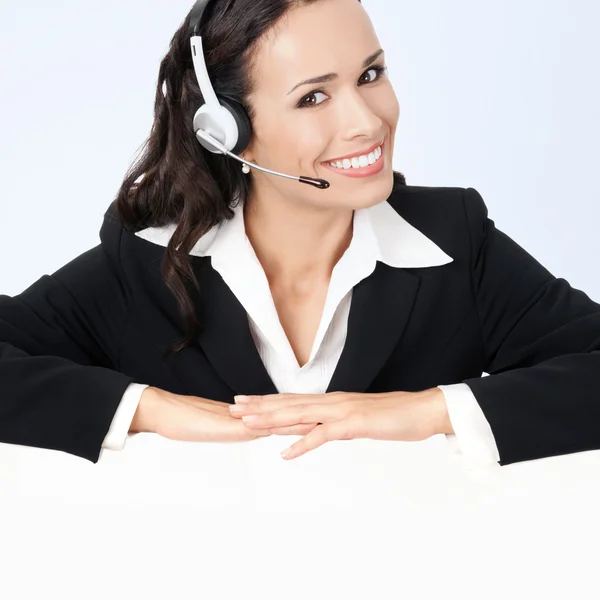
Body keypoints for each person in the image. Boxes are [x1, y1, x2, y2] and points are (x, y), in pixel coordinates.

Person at [2, 0, 600, 468]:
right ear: (224, 132)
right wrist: (149, 409)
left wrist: (428, 411)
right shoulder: (148, 260)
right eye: (312, 97)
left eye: (371, 74)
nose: (366, 123)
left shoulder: (454, 242)